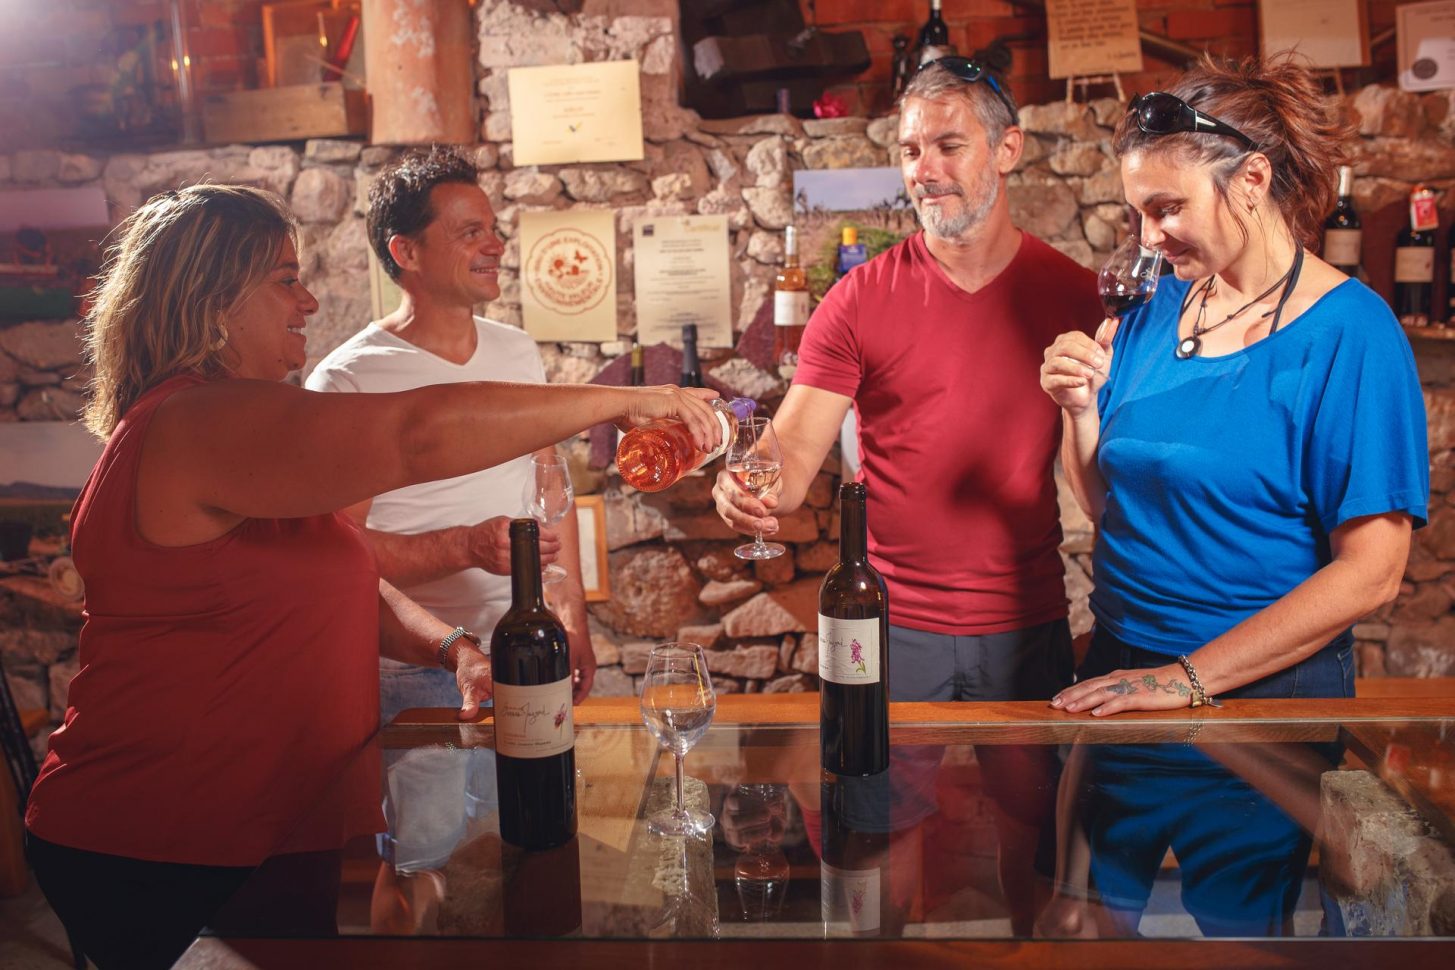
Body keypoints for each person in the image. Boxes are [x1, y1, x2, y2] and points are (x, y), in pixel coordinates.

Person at [21, 183, 719, 969]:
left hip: (267, 830)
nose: (309, 301)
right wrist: (623, 400)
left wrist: (451, 647)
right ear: (213, 300)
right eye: (285, 279)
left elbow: (340, 575)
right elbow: (415, 435)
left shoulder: (236, 427)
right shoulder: (192, 422)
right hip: (165, 839)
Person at [1038, 55, 1428, 936]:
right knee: (1075, 926)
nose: (1148, 238)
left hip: (1265, 698)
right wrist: (1076, 412)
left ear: (1250, 179)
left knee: (1241, 934)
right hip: (1120, 674)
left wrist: (1185, 681)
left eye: (1167, 208)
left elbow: (1371, 574)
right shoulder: (1147, 310)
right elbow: (1107, 506)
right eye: (1138, 212)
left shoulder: (1349, 335)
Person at [713, 57, 1101, 934]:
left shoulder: (1071, 294)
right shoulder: (857, 298)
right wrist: (745, 485)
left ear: (1007, 150)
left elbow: (1099, 474)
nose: (923, 169)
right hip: (889, 629)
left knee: (1032, 844)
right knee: (872, 845)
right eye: (909, 148)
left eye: (948, 145)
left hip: (1025, 617)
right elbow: (790, 455)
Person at [307, 146, 598, 928]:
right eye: (470, 232)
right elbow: (330, 557)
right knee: (423, 872)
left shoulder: (516, 350)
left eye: (494, 230)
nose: (495, 245)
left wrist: (571, 611)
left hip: (525, 651)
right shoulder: (348, 381)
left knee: (530, 844)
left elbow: (548, 487)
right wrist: (462, 547)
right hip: (415, 668)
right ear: (404, 252)